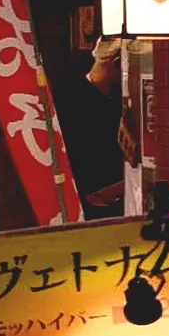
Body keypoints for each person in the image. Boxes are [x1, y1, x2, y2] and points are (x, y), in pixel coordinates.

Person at [57, 38, 133, 219]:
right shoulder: (70, 100)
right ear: (117, 63)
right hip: (90, 201)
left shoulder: (120, 98)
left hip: (124, 195)